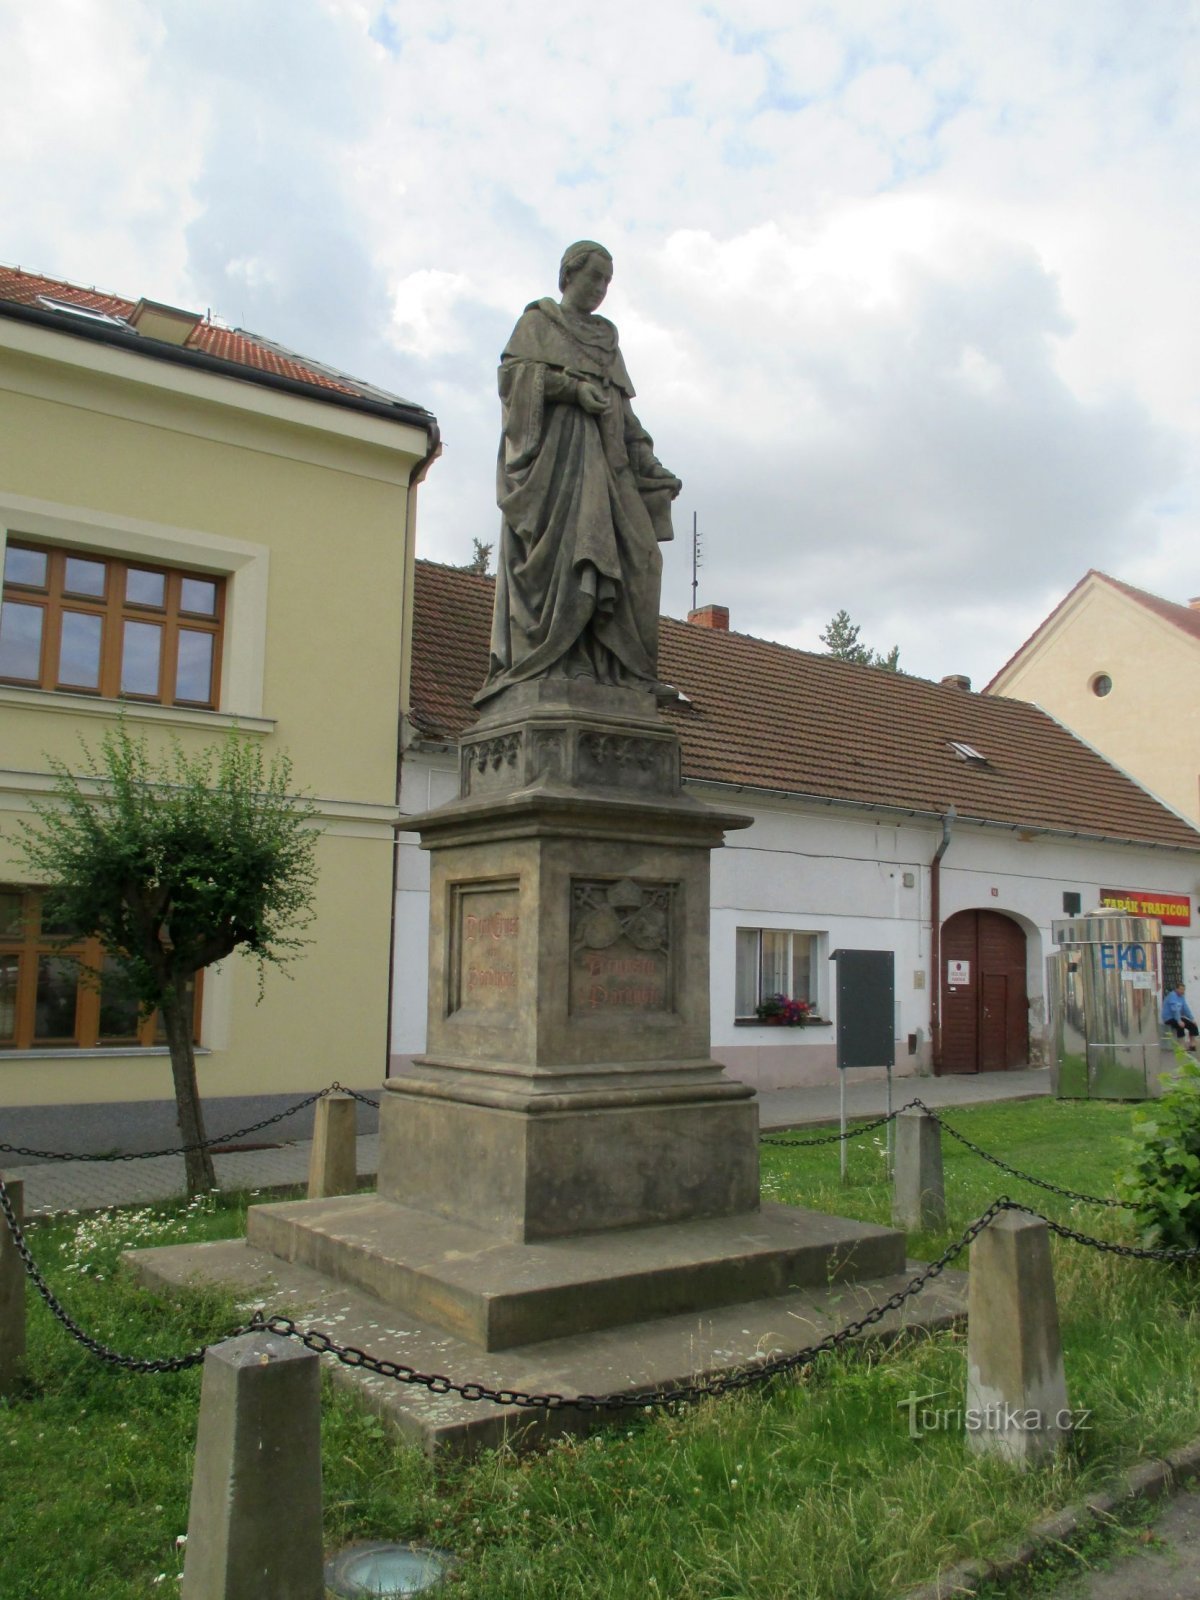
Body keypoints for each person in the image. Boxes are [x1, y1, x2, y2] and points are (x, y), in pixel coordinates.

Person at [476, 240, 681, 704]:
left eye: (608, 281)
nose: (601, 288)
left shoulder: (607, 339)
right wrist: (570, 390)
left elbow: (625, 416)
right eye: (595, 277)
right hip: (557, 469)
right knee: (575, 559)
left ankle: (624, 671)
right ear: (568, 275)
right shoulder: (537, 324)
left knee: (643, 559)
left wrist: (650, 462)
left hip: (609, 469)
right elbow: (513, 385)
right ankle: (560, 663)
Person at [1162, 982, 1198, 1049]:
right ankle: (1181, 1046)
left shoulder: (1182, 997)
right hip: (1169, 1018)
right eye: (1181, 989)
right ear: (1176, 989)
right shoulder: (1172, 996)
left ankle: (1192, 1045)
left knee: (1192, 1025)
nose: (1182, 991)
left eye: (1184, 990)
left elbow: (1185, 1009)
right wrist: (1179, 1021)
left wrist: (1192, 1019)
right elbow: (1174, 1010)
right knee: (1180, 1026)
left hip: (1177, 1017)